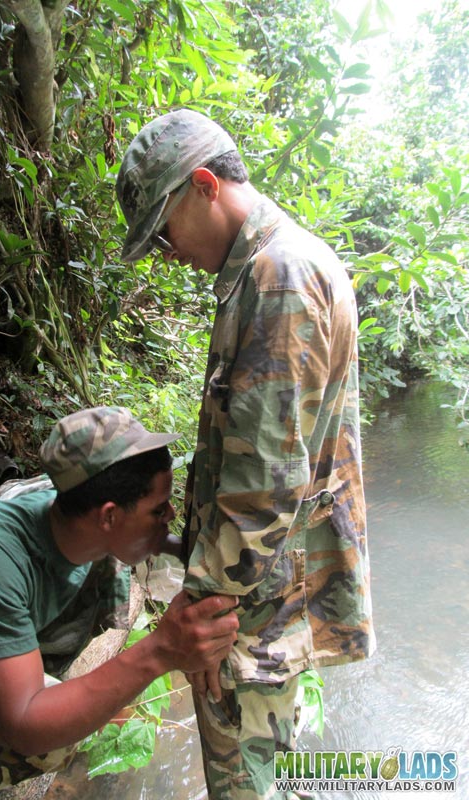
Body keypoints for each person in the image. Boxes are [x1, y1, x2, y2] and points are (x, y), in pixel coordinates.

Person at [116, 109, 376, 799]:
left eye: (163, 231)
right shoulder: (272, 267)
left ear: (205, 185)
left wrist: (200, 614)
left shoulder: (278, 277)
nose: (166, 252)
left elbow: (265, 486)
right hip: (261, 600)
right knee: (269, 775)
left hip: (248, 615)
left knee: (246, 784)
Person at [0, 406, 239, 798]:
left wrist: (198, 555)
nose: (170, 515)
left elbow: (144, 537)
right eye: (158, 509)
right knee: (50, 734)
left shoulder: (71, 513)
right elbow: (27, 726)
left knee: (66, 719)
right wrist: (159, 651)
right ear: (109, 517)